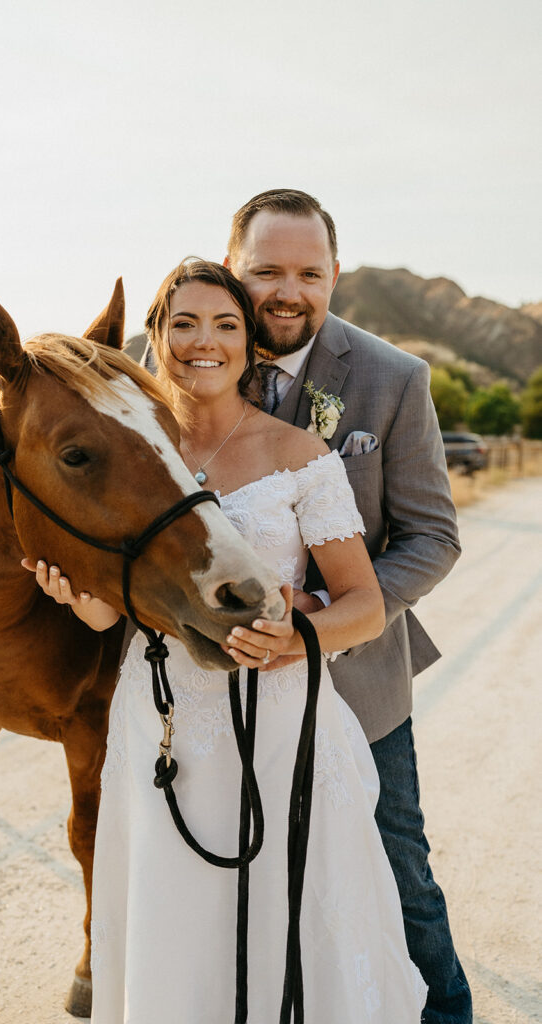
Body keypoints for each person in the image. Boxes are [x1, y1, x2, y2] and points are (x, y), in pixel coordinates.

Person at [25, 259, 428, 1022]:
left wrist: (290, 637)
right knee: (176, 920)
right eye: (182, 323)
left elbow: (365, 607)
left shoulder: (299, 456)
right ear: (154, 337)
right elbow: (121, 614)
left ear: (252, 346)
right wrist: (81, 602)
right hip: (162, 724)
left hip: (280, 727)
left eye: (224, 325)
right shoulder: (134, 454)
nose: (201, 341)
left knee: (291, 920)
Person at [220, 189, 471, 1024]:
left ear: (335, 277)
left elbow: (432, 538)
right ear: (231, 270)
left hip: (357, 679)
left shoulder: (392, 379)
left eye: (308, 272)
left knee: (396, 869)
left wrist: (324, 611)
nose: (286, 290)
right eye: (264, 271)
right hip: (217, 691)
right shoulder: (180, 370)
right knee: (235, 874)